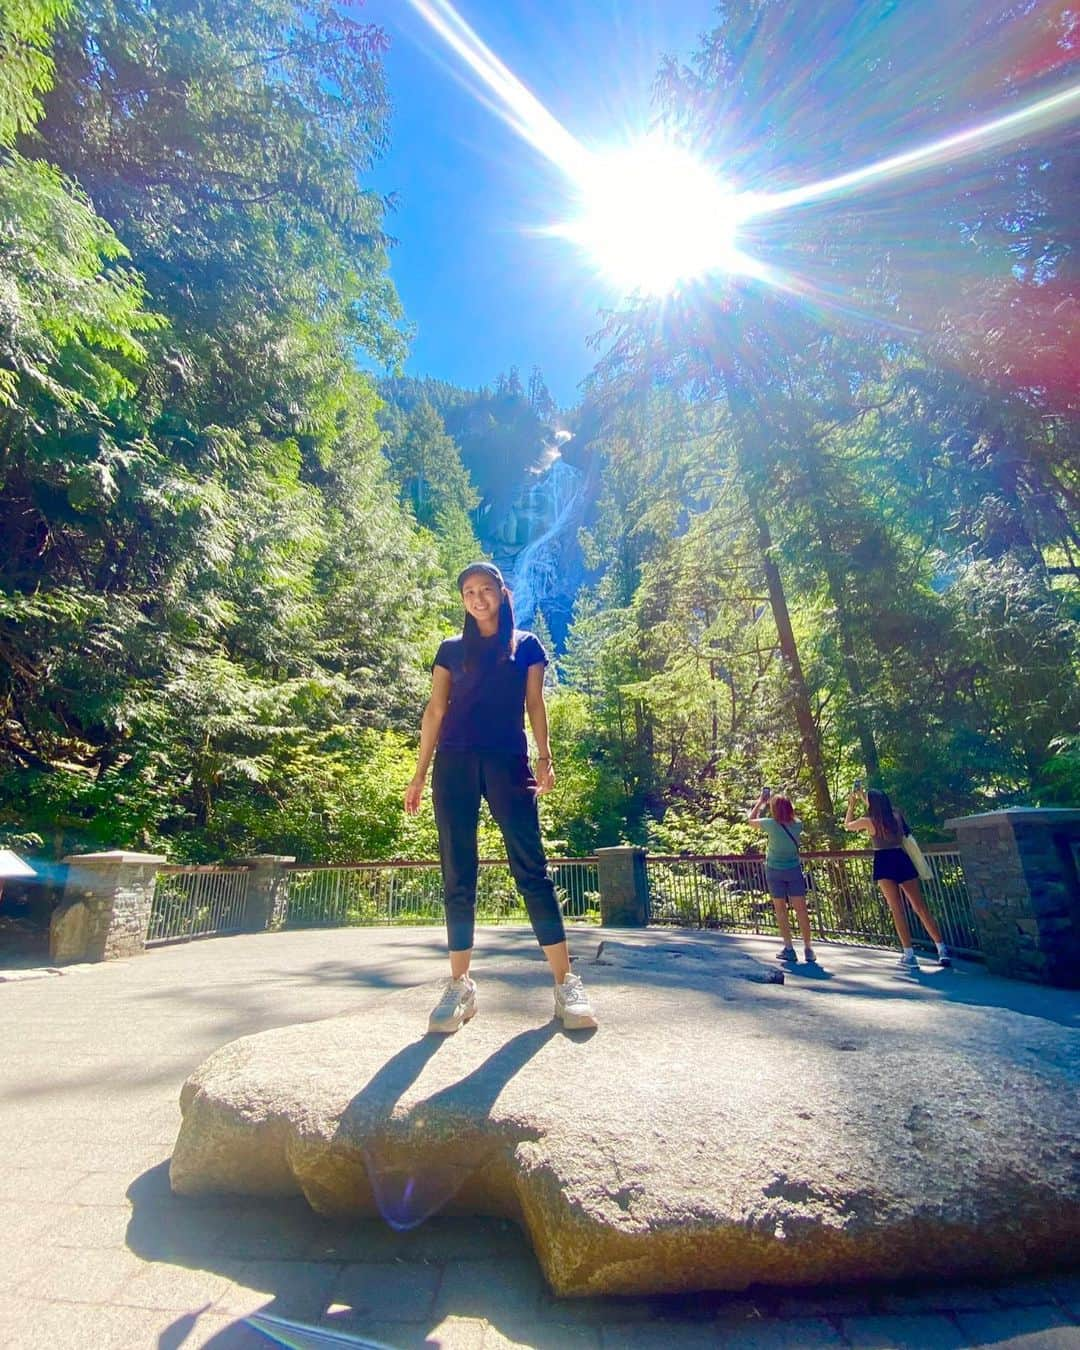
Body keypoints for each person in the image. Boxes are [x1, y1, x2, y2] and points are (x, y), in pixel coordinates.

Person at [404, 561, 597, 1033]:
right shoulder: (450, 650)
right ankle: (460, 985)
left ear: (501, 592)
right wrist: (418, 774)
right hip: (454, 765)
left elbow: (535, 703)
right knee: (457, 871)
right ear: (463, 600)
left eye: (484, 589)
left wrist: (544, 757)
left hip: (508, 762)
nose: (477, 598)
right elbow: (434, 710)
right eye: (468, 591)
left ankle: (565, 982)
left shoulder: (526, 645)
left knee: (531, 867)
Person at [844, 787, 951, 972]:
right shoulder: (896, 817)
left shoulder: (869, 822)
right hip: (901, 858)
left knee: (897, 909)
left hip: (884, 861)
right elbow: (878, 807)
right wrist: (864, 797)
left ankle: (909, 954)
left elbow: (848, 825)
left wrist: (852, 804)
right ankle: (942, 949)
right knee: (920, 906)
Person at [749, 789, 815, 964]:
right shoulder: (798, 825)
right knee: (801, 910)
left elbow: (750, 820)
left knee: (781, 910)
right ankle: (808, 948)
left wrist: (760, 802)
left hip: (774, 869)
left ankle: (789, 948)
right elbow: (793, 819)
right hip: (793, 869)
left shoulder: (769, 824)